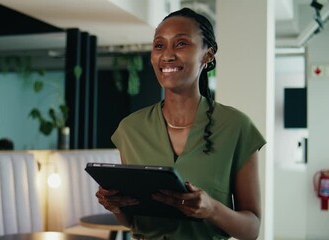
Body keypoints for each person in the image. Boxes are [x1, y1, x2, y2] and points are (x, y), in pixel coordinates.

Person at [95, 7, 266, 240]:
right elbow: (131, 222)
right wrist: (115, 206)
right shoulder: (130, 129)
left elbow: (251, 229)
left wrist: (211, 209)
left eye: (181, 43)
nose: (167, 55)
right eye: (159, 45)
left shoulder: (236, 127)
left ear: (208, 55)